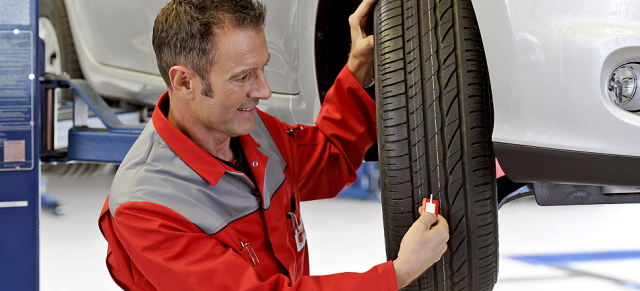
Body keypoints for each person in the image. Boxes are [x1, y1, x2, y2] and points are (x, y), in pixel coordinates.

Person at [98, 0, 449, 290]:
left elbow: (327, 160)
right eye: (243, 76)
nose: (264, 91)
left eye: (262, 69)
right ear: (184, 81)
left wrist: (358, 67)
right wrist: (398, 273)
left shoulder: (250, 131)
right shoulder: (147, 205)